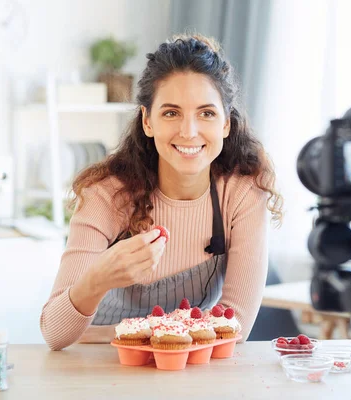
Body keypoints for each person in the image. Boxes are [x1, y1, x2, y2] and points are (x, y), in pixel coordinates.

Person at [40, 34, 283, 351]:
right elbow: (54, 333)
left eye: (206, 113)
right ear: (147, 121)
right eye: (171, 112)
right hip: (100, 361)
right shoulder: (105, 194)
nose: (189, 131)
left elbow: (234, 325)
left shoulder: (242, 191)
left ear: (226, 123)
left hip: (190, 364)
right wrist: (99, 277)